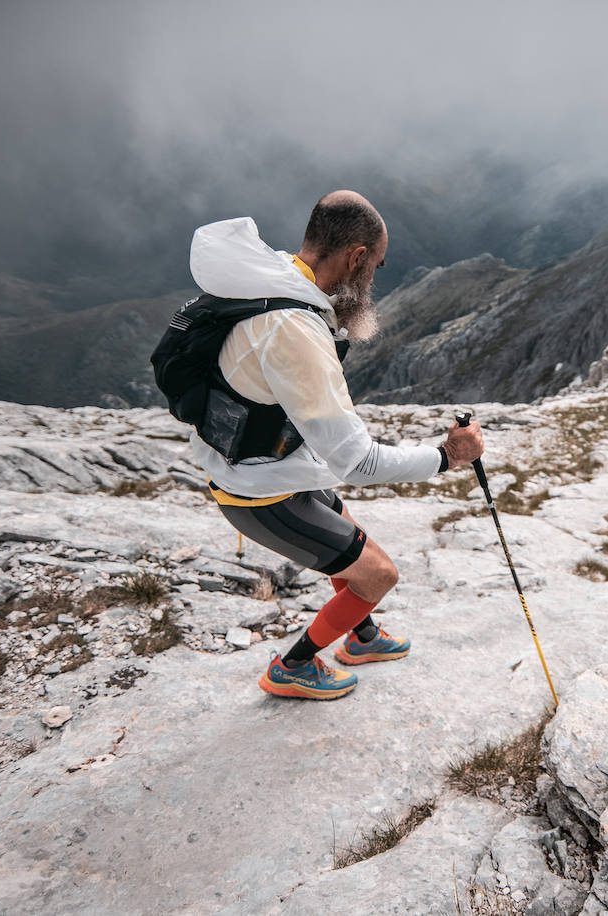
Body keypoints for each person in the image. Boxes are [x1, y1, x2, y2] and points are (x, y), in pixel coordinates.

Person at [185, 190, 484, 701]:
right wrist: (447, 456)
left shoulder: (272, 279)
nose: (373, 280)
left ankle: (362, 636)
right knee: (379, 575)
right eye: (377, 266)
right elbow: (359, 462)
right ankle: (294, 666)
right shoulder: (292, 328)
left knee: (351, 544)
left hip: (279, 469)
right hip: (259, 494)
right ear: (357, 257)